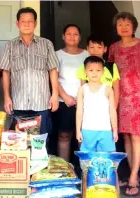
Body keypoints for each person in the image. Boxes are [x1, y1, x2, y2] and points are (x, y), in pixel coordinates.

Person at [0, 7, 59, 135]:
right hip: (18, 102)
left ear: (35, 23)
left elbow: (53, 70)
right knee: (19, 142)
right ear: (17, 23)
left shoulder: (46, 44)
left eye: (30, 21)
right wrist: (6, 97)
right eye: (23, 21)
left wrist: (54, 95)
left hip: (42, 102)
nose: (26, 24)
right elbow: (6, 72)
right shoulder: (10, 45)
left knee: (41, 142)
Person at [108, 12, 140, 196]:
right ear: (116, 28)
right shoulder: (114, 48)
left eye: (127, 24)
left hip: (139, 97)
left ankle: (133, 176)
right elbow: (109, 72)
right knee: (126, 136)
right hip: (121, 97)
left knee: (137, 135)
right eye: (120, 24)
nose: (124, 27)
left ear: (133, 26)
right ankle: (135, 173)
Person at [53, 24, 89, 161]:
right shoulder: (57, 55)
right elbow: (54, 79)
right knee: (64, 135)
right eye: (68, 34)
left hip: (84, 101)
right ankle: (65, 169)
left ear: (80, 37)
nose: (72, 37)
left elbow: (90, 76)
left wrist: (82, 97)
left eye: (75, 34)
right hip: (64, 102)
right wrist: (65, 97)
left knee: (83, 135)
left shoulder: (86, 54)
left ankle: (84, 171)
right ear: (63, 36)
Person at [76, 56, 118, 152]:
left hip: (105, 130)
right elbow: (79, 111)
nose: (94, 73)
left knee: (107, 159)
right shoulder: (82, 89)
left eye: (98, 70)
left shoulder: (108, 89)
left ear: (103, 72)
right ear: (85, 72)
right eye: (91, 70)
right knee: (87, 160)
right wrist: (78, 130)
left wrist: (115, 130)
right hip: (87, 129)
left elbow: (112, 111)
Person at [77, 34, 120, 108]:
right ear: (87, 48)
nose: (95, 50)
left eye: (99, 47)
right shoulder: (84, 67)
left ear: (105, 49)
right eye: (92, 47)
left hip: (107, 106)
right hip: (90, 106)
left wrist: (113, 108)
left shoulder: (112, 66)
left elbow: (116, 90)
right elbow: (83, 88)